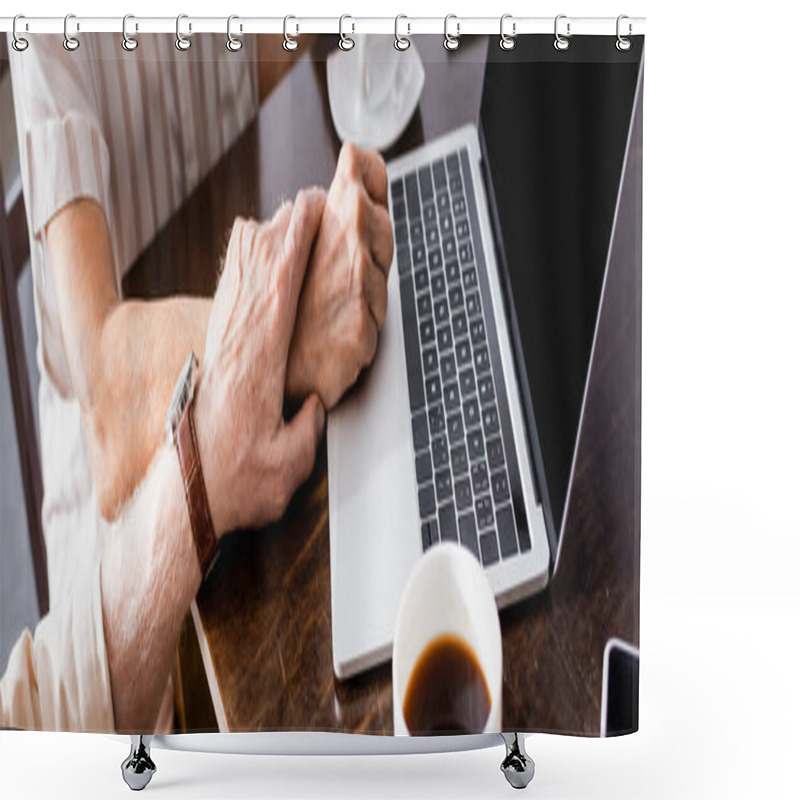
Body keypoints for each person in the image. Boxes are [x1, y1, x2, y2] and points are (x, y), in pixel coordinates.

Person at [2, 33, 392, 730]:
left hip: (233, 287)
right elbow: (108, 396)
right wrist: (284, 327)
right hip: (113, 461)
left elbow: (281, 76)